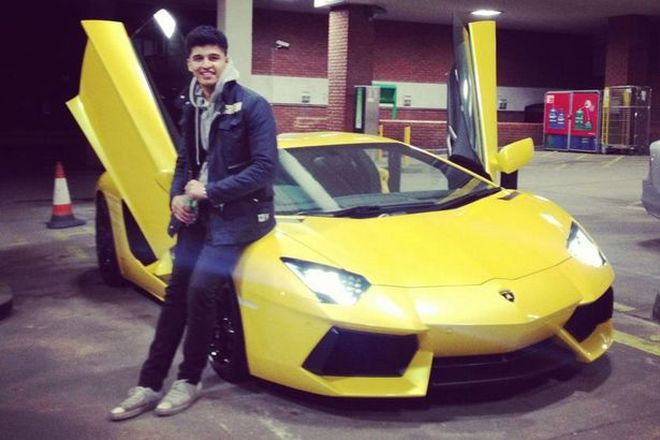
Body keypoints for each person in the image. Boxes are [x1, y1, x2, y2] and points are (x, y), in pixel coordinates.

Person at [109, 25, 278, 420]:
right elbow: (186, 160)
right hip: (198, 217)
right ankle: (149, 384)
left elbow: (265, 169)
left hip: (238, 219)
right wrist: (176, 198)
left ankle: (189, 378)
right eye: (199, 58)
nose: (206, 64)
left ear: (226, 60)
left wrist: (210, 191)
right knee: (176, 295)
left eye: (213, 57)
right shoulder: (191, 105)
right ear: (189, 63)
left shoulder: (252, 105)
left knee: (201, 291)